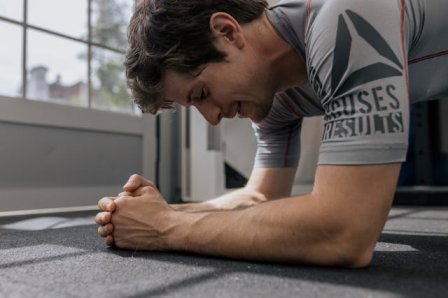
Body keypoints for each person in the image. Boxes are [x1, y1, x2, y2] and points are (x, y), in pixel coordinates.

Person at [95, 0, 448, 267]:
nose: (214, 118)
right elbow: (260, 196)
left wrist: (165, 228)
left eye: (202, 94)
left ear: (228, 32)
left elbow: (346, 231)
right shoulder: (275, 98)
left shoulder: (342, 19)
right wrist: (163, 211)